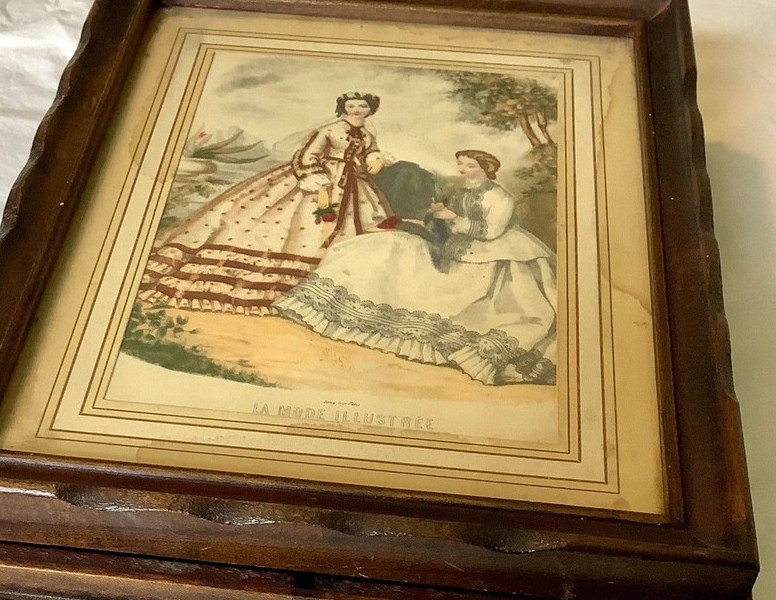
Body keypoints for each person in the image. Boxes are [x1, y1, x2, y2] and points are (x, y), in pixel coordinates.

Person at [274, 149, 557, 385]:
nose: (463, 170)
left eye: (470, 165)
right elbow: (450, 221)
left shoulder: (500, 197)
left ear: (486, 169)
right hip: (459, 249)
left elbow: (491, 231)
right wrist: (440, 215)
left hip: (497, 254)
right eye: (461, 164)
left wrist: (453, 218)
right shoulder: (461, 191)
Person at [138, 92, 395, 315]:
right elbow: (307, 155)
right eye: (351, 105)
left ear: (370, 109)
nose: (356, 110)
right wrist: (318, 181)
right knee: (297, 228)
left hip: (354, 185)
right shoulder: (329, 130)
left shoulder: (367, 134)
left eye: (362, 106)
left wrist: (374, 158)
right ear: (343, 107)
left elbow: (370, 152)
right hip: (322, 181)